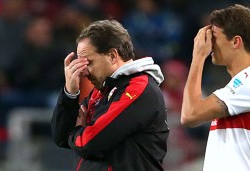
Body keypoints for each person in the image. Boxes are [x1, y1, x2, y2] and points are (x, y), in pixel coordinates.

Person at [51, 19, 169, 171]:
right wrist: (70, 93)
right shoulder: (100, 92)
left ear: (113, 56)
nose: (84, 72)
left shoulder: (139, 88)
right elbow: (60, 138)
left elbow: (89, 143)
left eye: (89, 63)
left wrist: (78, 130)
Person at [181, 4, 250, 171]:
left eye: (214, 38)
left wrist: (198, 57)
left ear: (236, 41)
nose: (209, 45)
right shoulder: (243, 84)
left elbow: (190, 114)